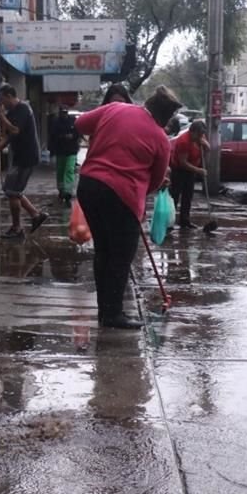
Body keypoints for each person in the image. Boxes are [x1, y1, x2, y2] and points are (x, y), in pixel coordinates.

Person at [75, 86, 181, 329]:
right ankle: (112, 314)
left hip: (89, 185)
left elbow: (81, 124)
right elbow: (154, 181)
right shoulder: (160, 139)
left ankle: (106, 311)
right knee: (120, 256)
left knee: (103, 250)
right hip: (122, 196)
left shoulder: (115, 108)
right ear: (165, 117)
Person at [0, 84, 49, 239]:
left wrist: (1, 117)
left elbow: (15, 130)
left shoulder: (23, 109)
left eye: (2, 99)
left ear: (9, 96)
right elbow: (7, 139)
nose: (1, 102)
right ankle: (35, 215)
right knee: (12, 191)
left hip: (26, 157)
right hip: (19, 157)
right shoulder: (12, 112)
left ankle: (17, 228)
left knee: (12, 192)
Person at [169, 119, 210, 229]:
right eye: (199, 134)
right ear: (193, 132)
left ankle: (185, 221)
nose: (201, 136)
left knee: (188, 196)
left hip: (191, 171)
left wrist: (206, 145)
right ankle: (169, 221)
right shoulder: (184, 141)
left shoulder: (200, 138)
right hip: (179, 170)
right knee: (175, 196)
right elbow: (183, 163)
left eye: (202, 134)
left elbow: (207, 149)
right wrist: (198, 170)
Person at [48, 106, 80, 204]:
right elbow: (52, 136)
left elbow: (78, 133)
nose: (64, 114)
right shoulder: (56, 122)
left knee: (69, 170)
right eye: (62, 112)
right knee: (61, 171)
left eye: (66, 112)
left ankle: (68, 191)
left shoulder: (73, 121)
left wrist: (73, 136)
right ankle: (61, 190)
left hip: (71, 150)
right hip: (60, 151)